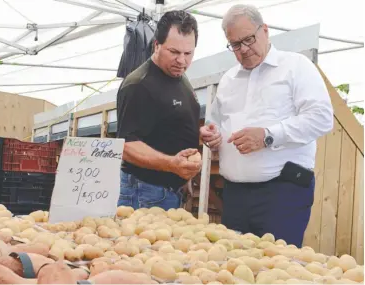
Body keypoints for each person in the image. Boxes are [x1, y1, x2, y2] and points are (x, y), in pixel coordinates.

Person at [200, 4, 333, 247]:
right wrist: (211, 132)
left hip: (282, 194)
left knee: (277, 269)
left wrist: (268, 136)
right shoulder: (228, 79)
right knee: (231, 266)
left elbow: (322, 117)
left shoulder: (296, 66)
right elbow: (215, 121)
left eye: (249, 39)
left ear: (265, 31)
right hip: (235, 195)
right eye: (235, 45)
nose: (244, 50)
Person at [116, 10, 203, 211]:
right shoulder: (139, 84)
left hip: (170, 190)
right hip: (146, 192)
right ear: (156, 45)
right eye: (174, 52)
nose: (182, 60)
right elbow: (127, 146)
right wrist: (172, 164)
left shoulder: (180, 77)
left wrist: (184, 176)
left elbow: (170, 128)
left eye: (188, 53)